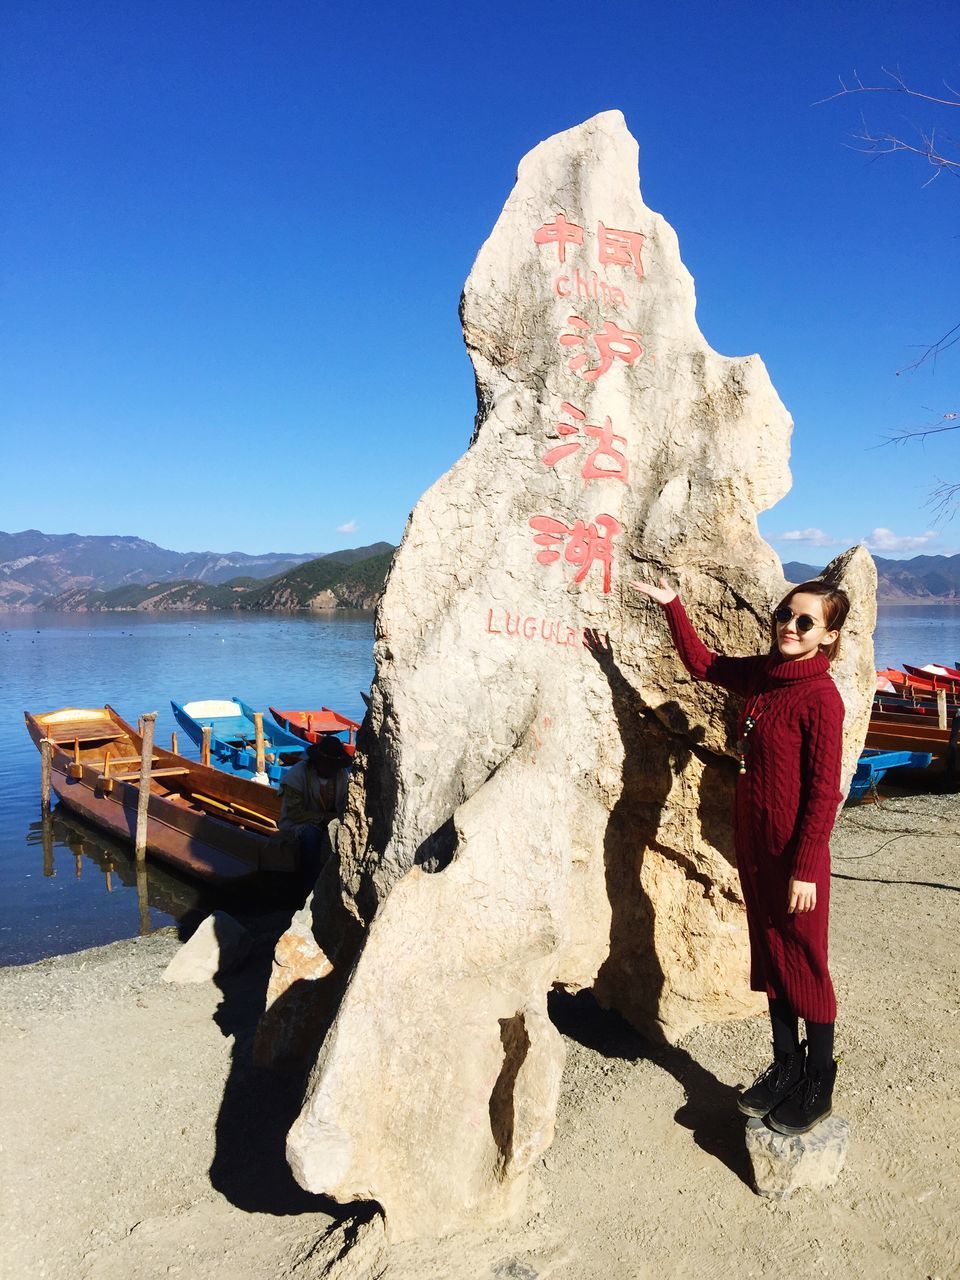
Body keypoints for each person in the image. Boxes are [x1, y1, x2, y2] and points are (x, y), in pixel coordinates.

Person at [630, 575, 849, 1135]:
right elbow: (702, 663)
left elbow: (825, 791)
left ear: (828, 635)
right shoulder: (762, 674)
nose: (790, 627)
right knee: (771, 956)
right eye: (785, 614)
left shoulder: (821, 698)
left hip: (796, 859)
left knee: (806, 962)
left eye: (806, 622)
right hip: (756, 849)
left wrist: (805, 869)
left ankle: (819, 1079)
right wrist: (671, 605)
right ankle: (785, 1067)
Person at [279, 736, 352, 874]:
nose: (332, 770)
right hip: (296, 824)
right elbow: (294, 813)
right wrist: (323, 818)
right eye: (328, 765)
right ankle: (310, 882)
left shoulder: (342, 776)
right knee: (311, 835)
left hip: (329, 821)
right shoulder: (297, 775)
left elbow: (344, 804)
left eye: (334, 767)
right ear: (318, 762)